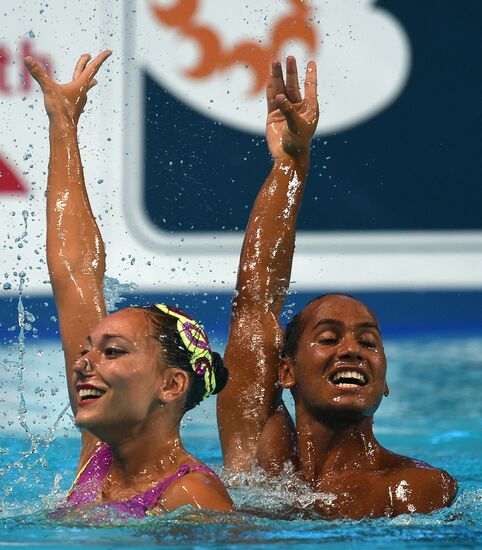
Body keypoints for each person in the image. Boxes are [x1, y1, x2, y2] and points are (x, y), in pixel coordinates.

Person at [217, 56, 457, 519]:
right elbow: (255, 302)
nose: (352, 350)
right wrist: (291, 163)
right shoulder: (258, 460)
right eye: (328, 338)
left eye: (368, 342)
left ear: (384, 382)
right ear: (284, 372)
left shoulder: (415, 489)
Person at [24, 51, 232, 517]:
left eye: (111, 352)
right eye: (87, 350)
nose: (81, 364)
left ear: (172, 383)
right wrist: (63, 126)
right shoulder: (98, 458)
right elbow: (74, 271)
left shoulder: (192, 498)